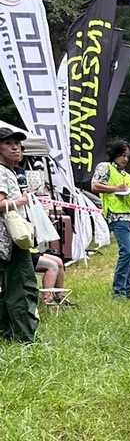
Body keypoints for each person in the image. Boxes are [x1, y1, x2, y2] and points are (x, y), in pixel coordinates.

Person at [92, 140, 130, 299]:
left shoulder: (128, 177)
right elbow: (95, 186)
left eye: (128, 157)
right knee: (127, 252)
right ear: (115, 154)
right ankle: (118, 290)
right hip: (117, 215)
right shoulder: (105, 167)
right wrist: (115, 189)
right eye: (122, 155)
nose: (125, 159)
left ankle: (127, 289)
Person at [0, 122, 39, 343]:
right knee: (23, 286)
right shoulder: (2, 171)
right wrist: (21, 201)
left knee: (8, 288)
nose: (15, 147)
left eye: (17, 143)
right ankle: (24, 337)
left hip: (7, 240)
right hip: (11, 238)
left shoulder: (9, 171)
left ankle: (8, 332)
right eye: (8, 143)